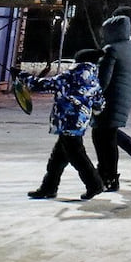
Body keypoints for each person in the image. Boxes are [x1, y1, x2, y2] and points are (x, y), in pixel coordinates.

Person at [23, 49, 107, 200]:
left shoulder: (71, 74)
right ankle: (48, 187)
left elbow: (45, 85)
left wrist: (23, 76)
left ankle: (94, 184)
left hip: (66, 121)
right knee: (58, 158)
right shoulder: (93, 78)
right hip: (80, 122)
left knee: (77, 156)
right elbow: (99, 103)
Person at [93, 13, 131, 191]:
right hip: (123, 96)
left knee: (103, 136)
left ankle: (110, 176)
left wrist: (92, 95)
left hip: (110, 98)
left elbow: (103, 80)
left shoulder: (111, 49)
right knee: (107, 133)